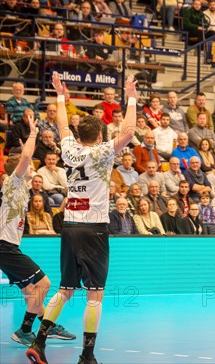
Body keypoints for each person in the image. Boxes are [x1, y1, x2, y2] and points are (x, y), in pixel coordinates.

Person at [26, 73, 138, 364]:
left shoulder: (69, 148)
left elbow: (63, 124)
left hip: (70, 226)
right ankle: (87, 355)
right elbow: (128, 131)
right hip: (94, 228)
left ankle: (39, 343)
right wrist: (132, 97)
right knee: (95, 294)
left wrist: (61, 95)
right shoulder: (102, 152)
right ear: (99, 136)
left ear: (79, 136)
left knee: (65, 289)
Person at [1, 114, 75, 347]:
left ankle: (47, 326)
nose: (33, 171)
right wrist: (33, 133)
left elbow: (23, 157)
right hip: (5, 247)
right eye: (30, 168)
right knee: (43, 284)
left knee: (31, 291)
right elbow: (24, 158)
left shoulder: (20, 189)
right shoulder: (14, 183)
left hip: (8, 246)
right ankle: (24, 331)